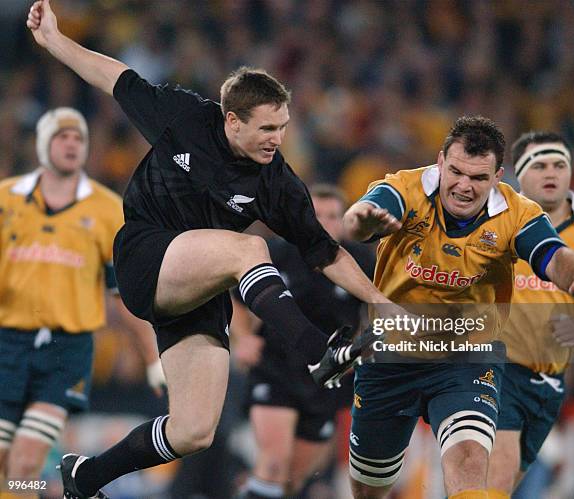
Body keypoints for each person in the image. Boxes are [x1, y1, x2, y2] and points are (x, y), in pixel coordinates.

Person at [26, 2, 396, 497]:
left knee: (193, 430)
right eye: (267, 128)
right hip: (145, 255)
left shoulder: (277, 182)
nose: (278, 138)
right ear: (231, 121)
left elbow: (325, 252)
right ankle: (319, 353)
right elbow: (114, 76)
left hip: (200, 288)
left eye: (283, 126)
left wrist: (378, 300)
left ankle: (84, 475)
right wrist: (53, 40)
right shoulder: (184, 117)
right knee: (248, 250)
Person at [328, 116, 574, 499]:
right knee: (369, 489)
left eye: (478, 178)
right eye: (456, 171)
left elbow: (553, 253)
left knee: (469, 461)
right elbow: (358, 220)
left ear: (497, 177)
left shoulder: (517, 213)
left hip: (466, 356)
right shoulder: (405, 188)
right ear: (440, 161)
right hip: (393, 356)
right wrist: (361, 222)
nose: (463, 186)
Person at [0, 107, 165, 499]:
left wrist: (152, 358)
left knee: (25, 461)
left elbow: (122, 296)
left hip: (64, 352)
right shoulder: (5, 201)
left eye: (78, 138)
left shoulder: (108, 211)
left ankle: (37, 487)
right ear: (42, 145)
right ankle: (48, 490)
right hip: (7, 344)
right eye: (62, 136)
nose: (72, 144)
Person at [486, 131, 574, 499]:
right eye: (539, 165)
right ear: (517, 175)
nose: (551, 173)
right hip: (497, 370)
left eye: (559, 164)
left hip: (550, 383)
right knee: (496, 481)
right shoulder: (497, 224)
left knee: (494, 487)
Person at [232, 184, 375, 498]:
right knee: (272, 465)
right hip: (275, 367)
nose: (324, 222)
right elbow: (236, 302)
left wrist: (362, 353)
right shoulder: (274, 252)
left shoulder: (361, 262)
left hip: (327, 380)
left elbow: (377, 316)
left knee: (294, 481)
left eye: (333, 216)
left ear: (345, 222)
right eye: (317, 214)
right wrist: (243, 339)